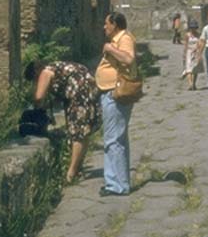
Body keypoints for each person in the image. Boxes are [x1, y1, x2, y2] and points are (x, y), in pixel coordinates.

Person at [24, 59, 102, 184]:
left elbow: (39, 97)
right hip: (88, 90)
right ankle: (77, 168)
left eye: (34, 80)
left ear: (35, 73)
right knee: (84, 133)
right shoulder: (56, 67)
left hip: (79, 95)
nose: (35, 82)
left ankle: (70, 174)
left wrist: (34, 108)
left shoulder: (45, 72)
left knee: (77, 133)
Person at [95, 11, 137, 196]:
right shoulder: (118, 39)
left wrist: (110, 49)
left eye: (107, 23)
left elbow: (128, 59)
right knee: (116, 138)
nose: (104, 27)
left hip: (115, 93)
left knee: (113, 140)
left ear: (115, 25)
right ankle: (117, 181)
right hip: (110, 92)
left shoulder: (124, 38)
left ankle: (117, 185)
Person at [182, 19, 204, 89]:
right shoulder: (187, 35)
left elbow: (201, 43)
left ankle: (194, 84)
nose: (193, 29)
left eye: (194, 27)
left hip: (196, 52)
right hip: (189, 52)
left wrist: (198, 50)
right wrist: (184, 53)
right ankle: (190, 84)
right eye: (192, 28)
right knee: (189, 68)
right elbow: (185, 44)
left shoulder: (199, 35)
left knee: (195, 69)